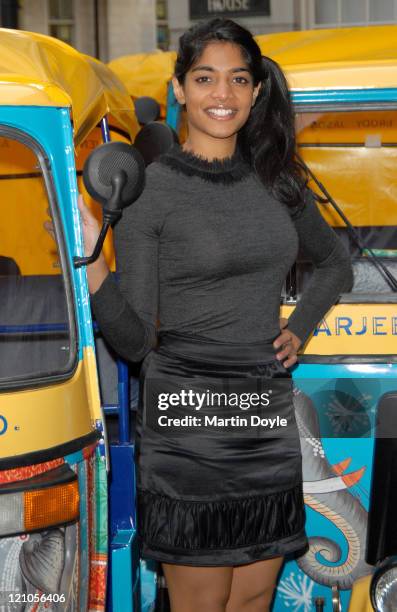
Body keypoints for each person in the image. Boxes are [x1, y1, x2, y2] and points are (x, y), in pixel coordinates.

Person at [79, 17, 353, 612]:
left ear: (256, 91)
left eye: (236, 80)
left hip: (262, 408)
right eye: (204, 79)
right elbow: (134, 340)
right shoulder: (151, 191)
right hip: (187, 419)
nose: (221, 95)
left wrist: (298, 329)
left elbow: (335, 264)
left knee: (255, 596)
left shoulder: (279, 181)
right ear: (179, 89)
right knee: (203, 602)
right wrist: (92, 265)